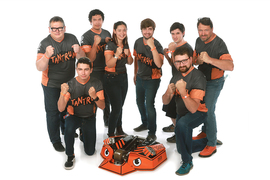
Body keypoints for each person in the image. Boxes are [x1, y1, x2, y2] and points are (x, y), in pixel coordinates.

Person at [36, 16, 85, 152]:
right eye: (54, 28)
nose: (57, 31)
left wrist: (79, 51)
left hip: (68, 82)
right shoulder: (44, 43)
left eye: (60, 28)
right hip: (50, 84)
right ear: (49, 29)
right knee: (53, 113)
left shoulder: (72, 38)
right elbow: (39, 67)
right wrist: (46, 55)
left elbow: (82, 59)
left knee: (66, 109)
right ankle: (55, 140)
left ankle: (65, 130)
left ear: (64, 28)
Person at [162, 46, 208, 175]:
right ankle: (207, 141)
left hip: (199, 112)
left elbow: (193, 108)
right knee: (181, 148)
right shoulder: (177, 74)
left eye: (184, 61)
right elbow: (165, 101)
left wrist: (183, 92)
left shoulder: (198, 77)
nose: (181, 64)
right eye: (177, 62)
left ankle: (187, 162)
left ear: (191, 59)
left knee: (182, 125)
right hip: (182, 112)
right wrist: (168, 92)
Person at [192, 17, 234, 157]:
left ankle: (211, 143)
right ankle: (206, 132)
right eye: (200, 30)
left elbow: (230, 66)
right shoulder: (199, 40)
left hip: (215, 82)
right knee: (205, 109)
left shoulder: (219, 43)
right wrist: (197, 60)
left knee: (208, 111)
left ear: (212, 29)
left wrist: (209, 59)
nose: (203, 33)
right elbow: (195, 60)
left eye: (206, 30)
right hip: (202, 81)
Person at [58, 57, 105, 170]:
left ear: (91, 70)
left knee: (90, 152)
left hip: (89, 117)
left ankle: (83, 133)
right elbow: (60, 109)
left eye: (86, 69)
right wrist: (62, 94)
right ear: (76, 69)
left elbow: (102, 106)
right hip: (73, 116)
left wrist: (94, 97)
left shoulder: (97, 83)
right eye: (80, 69)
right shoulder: (70, 85)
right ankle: (70, 155)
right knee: (68, 129)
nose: (83, 73)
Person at [133, 18, 164, 142]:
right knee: (139, 102)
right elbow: (136, 58)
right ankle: (145, 123)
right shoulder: (137, 42)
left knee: (149, 105)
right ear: (141, 30)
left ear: (153, 30)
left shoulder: (158, 45)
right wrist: (135, 73)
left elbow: (159, 64)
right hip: (140, 78)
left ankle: (152, 132)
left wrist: (152, 48)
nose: (147, 32)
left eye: (150, 29)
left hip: (152, 79)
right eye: (145, 29)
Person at [162, 22, 193, 143]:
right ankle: (176, 127)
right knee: (169, 107)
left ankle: (178, 131)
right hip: (175, 80)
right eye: (172, 33)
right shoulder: (175, 47)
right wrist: (167, 56)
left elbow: (185, 67)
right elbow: (174, 65)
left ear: (183, 33)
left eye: (178, 33)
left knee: (175, 109)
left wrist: (173, 51)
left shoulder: (187, 48)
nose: (175, 36)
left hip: (182, 83)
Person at [81, 9, 111, 126]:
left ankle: (108, 124)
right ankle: (88, 125)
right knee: (93, 99)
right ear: (90, 21)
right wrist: (95, 44)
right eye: (94, 20)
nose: (97, 22)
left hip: (107, 71)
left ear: (102, 20)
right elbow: (89, 59)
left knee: (107, 98)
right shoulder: (86, 36)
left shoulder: (107, 33)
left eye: (99, 19)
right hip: (93, 72)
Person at [104, 21, 133, 137]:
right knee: (116, 108)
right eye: (119, 30)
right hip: (111, 78)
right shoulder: (110, 45)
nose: (122, 33)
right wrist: (116, 55)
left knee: (119, 106)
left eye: (124, 30)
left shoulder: (125, 44)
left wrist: (128, 54)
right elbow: (109, 64)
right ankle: (111, 133)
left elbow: (130, 62)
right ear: (114, 31)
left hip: (123, 77)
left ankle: (119, 129)